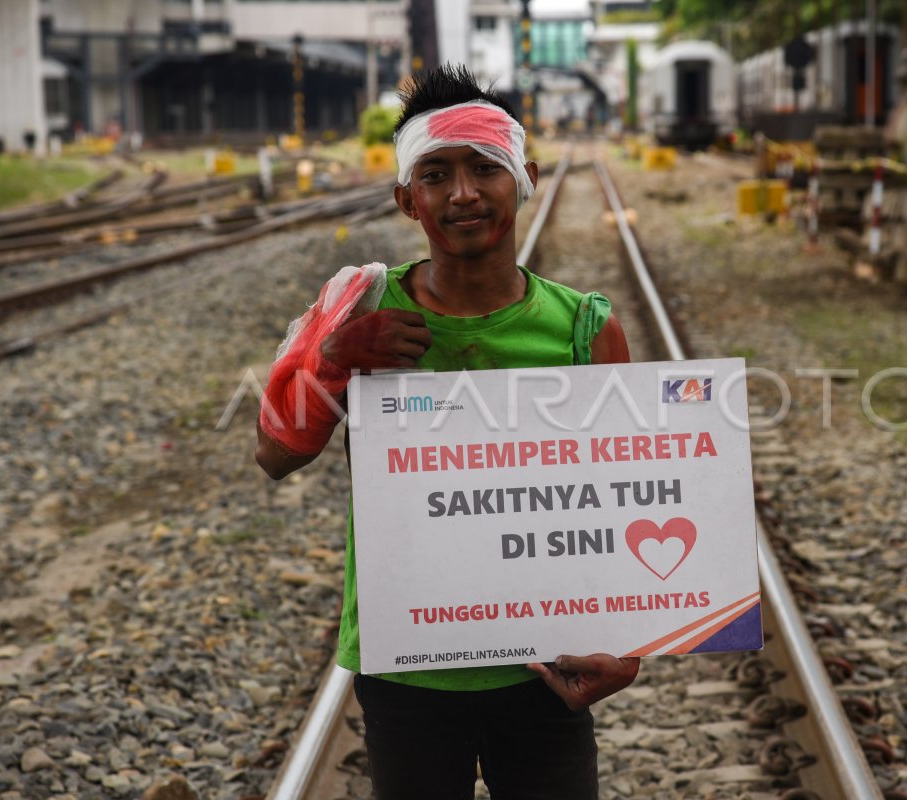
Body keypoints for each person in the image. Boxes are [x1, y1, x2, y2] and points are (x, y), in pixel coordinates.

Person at [254, 64, 639, 799]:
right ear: (407, 198)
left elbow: (613, 503)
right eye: (435, 175)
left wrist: (628, 648)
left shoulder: (587, 329)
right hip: (409, 666)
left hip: (544, 665)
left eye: (484, 167)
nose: (463, 193)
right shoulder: (359, 311)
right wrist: (334, 364)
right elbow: (274, 456)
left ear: (524, 175)